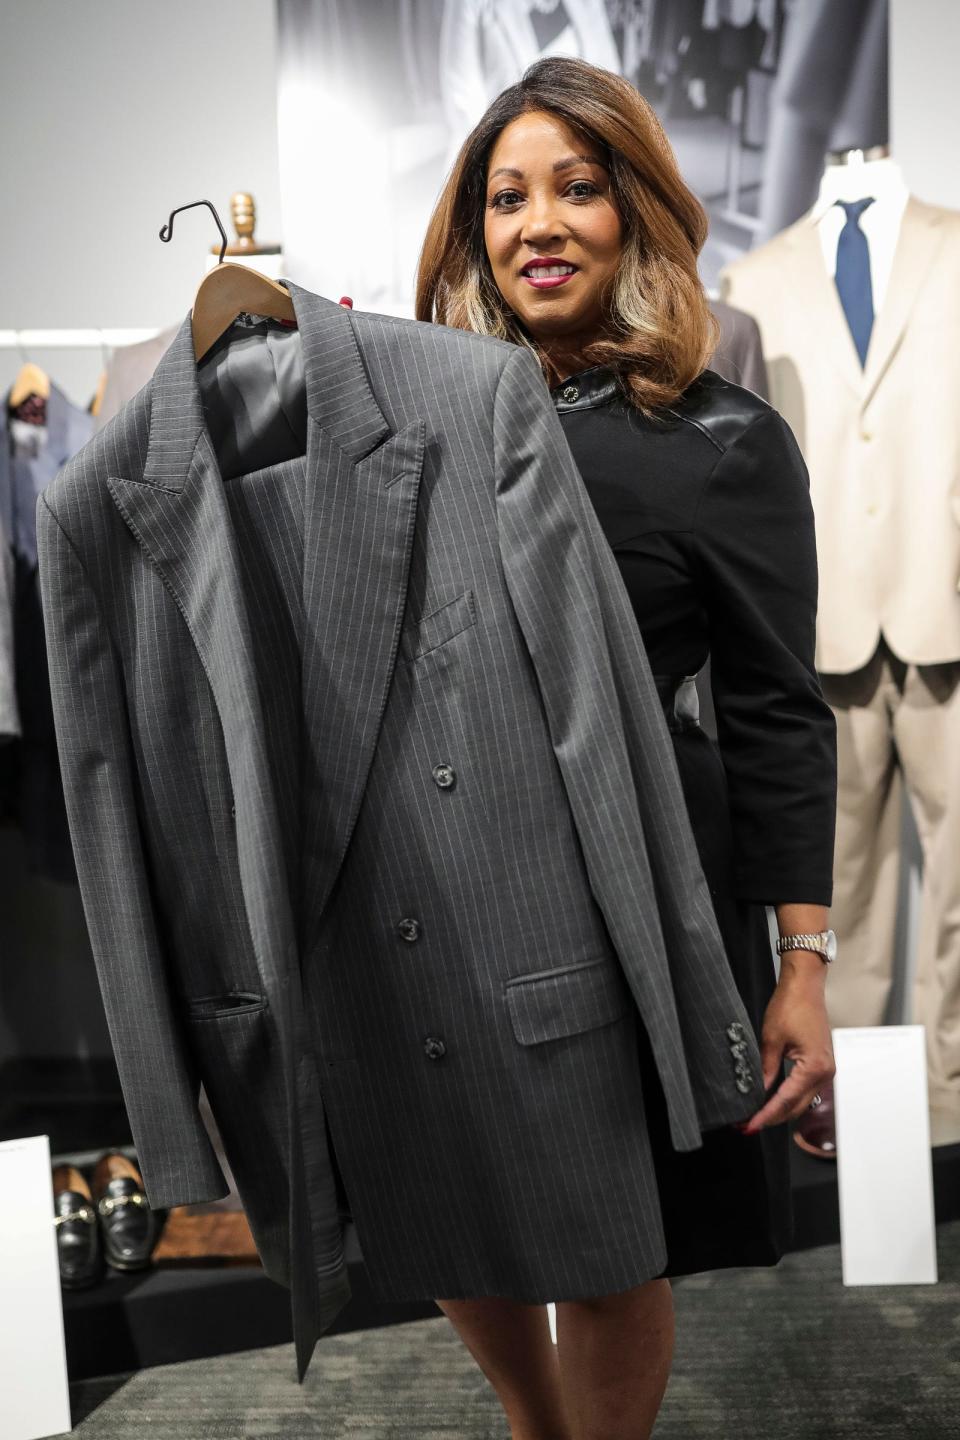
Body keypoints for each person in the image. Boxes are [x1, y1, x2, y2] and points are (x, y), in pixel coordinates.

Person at [416, 55, 837, 1439]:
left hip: (633, 893)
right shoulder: (410, 433)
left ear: (637, 207)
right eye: (506, 196)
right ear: (472, 228)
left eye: (576, 189)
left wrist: (801, 971)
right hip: (446, 883)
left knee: (615, 1235)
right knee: (454, 1215)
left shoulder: (722, 442)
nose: (537, 223)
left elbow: (778, 713)